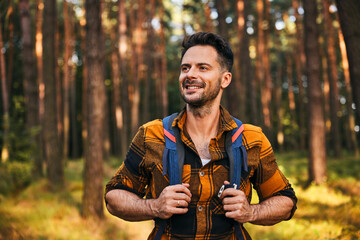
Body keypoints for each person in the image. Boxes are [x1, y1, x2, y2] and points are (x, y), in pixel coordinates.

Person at [105, 32, 297, 240]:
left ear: (225, 79)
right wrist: (154, 206)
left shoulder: (252, 139)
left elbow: (285, 201)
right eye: (185, 68)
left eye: (202, 67)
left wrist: (251, 212)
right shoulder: (151, 135)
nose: (189, 74)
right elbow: (114, 197)